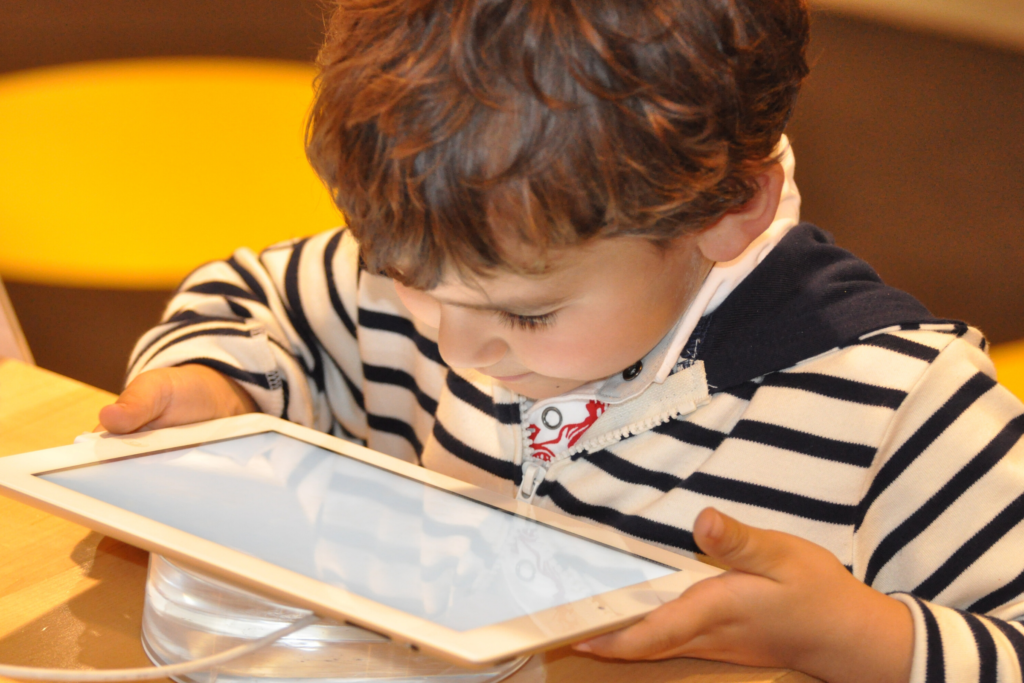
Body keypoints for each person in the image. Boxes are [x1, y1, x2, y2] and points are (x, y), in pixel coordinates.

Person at [98, 1, 1024, 681]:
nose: (458, 347)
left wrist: (857, 638)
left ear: (729, 211)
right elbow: (261, 303)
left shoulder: (899, 405)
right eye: (410, 282)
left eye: (528, 316)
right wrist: (214, 382)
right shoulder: (462, 263)